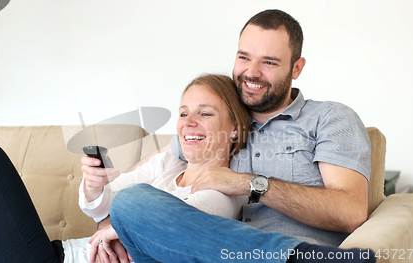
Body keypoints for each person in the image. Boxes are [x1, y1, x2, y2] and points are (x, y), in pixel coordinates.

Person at [88, 9, 374, 263]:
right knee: (132, 201)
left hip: (293, 249)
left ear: (296, 68)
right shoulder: (215, 122)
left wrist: (246, 183)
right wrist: (110, 229)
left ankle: (298, 257)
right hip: (199, 254)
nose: (251, 72)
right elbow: (131, 190)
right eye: (244, 57)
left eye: (269, 63)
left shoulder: (329, 118)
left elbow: (350, 212)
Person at [0, 74, 249, 263]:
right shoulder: (168, 162)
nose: (189, 123)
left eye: (205, 114)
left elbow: (176, 227)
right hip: (60, 252)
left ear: (234, 127)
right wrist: (97, 186)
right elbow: (105, 203)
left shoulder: (224, 193)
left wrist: (115, 226)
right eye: (183, 114)